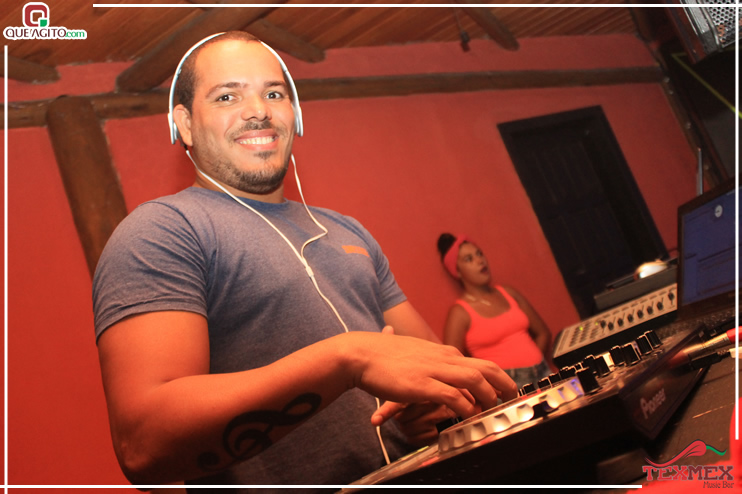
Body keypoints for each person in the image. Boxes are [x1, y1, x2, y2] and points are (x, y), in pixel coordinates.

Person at [92, 32, 517, 489]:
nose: (258, 110)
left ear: (294, 115)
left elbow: (439, 369)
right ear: (185, 124)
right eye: (228, 96)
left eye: (274, 93)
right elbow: (143, 445)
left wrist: (432, 411)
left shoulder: (348, 230)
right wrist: (347, 358)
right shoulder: (164, 231)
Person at [437, 233, 554, 391]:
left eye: (479, 254)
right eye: (469, 259)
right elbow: (452, 365)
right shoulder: (460, 313)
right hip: (506, 387)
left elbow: (543, 333)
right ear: (457, 272)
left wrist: (534, 364)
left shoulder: (509, 293)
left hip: (542, 372)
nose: (480, 260)